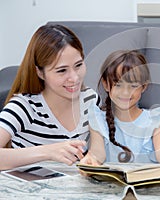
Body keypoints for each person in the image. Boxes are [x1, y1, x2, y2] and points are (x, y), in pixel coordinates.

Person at [0, 24, 100, 170]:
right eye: (62, 70)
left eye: (78, 65)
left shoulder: (90, 100)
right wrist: (48, 152)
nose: (74, 78)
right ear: (40, 73)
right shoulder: (24, 107)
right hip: (31, 191)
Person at [81, 50, 160, 178]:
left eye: (133, 86)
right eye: (118, 84)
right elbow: (97, 153)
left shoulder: (154, 120)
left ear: (144, 86)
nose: (126, 92)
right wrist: (89, 160)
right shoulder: (98, 119)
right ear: (106, 84)